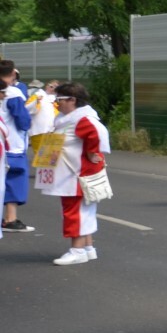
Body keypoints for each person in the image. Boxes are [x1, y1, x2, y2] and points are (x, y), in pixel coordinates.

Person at [36, 82, 109, 266]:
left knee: (74, 212)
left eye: (59, 99)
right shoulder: (70, 118)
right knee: (84, 211)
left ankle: (77, 250)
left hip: (75, 174)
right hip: (72, 173)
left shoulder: (81, 119)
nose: (56, 103)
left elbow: (97, 133)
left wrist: (93, 152)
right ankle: (87, 247)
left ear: (72, 100)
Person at [0, 60, 35, 232]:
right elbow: (23, 121)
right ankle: (10, 218)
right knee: (14, 179)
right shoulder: (13, 92)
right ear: (13, 73)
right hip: (12, 144)